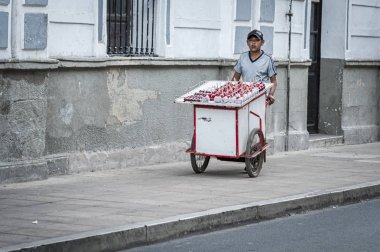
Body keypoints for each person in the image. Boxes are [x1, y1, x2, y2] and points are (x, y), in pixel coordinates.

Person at [232, 29, 277, 105]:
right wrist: (232, 92)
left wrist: (271, 94)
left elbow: (274, 81)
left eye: (256, 40)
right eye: (251, 40)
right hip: (245, 97)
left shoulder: (267, 59)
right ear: (247, 42)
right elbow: (235, 79)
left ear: (262, 42)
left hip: (261, 98)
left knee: (258, 117)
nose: (253, 43)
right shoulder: (243, 57)